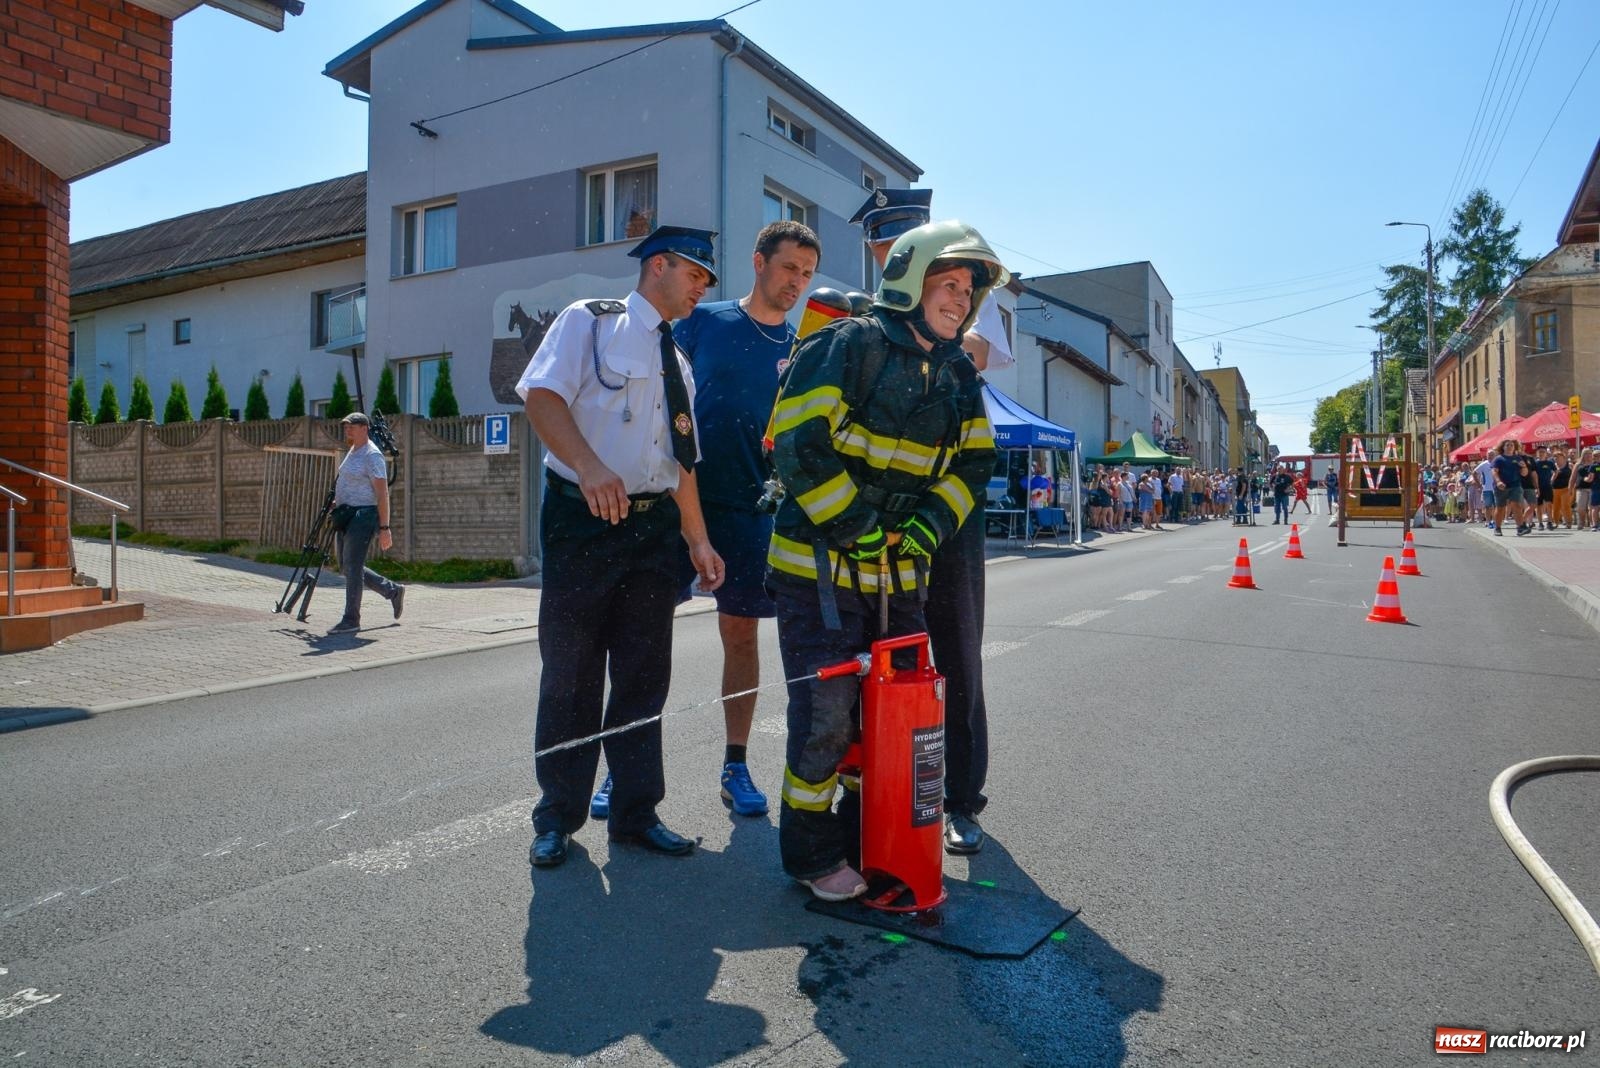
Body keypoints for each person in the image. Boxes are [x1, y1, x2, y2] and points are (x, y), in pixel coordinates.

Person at [768, 219, 1001, 900]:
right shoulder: (849, 344)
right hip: (819, 571)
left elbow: (976, 462)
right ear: (909, 278)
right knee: (826, 716)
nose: (960, 299)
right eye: (948, 283)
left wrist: (928, 528)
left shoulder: (956, 369)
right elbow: (799, 445)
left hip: (898, 574)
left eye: (968, 291)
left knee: (885, 722)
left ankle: (864, 836)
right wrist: (861, 529)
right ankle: (810, 857)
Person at [585, 221, 821, 823]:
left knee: (741, 638)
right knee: (643, 640)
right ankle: (623, 769)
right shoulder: (703, 321)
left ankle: (735, 764)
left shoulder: (797, 350)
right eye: (789, 267)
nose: (796, 282)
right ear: (759, 262)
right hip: (675, 504)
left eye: (807, 274)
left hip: (748, 515)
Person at [517, 224, 726, 869]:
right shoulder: (590, 322)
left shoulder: (680, 361)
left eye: (707, 282)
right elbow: (542, 397)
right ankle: (557, 816)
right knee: (572, 675)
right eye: (695, 275)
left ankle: (636, 814)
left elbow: (682, 460)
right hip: (583, 520)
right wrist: (588, 467)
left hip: (653, 529)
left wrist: (698, 540)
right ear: (657, 266)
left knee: (643, 677)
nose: (702, 289)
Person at [852, 189, 1008, 855]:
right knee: (882, 656)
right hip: (881, 510)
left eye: (903, 241)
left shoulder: (964, 292)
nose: (893, 255)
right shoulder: (857, 315)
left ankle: (960, 799)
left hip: (948, 506)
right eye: (883, 246)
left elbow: (966, 354)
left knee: (957, 652)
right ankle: (883, 789)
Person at [327, 411, 405, 634]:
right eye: (346, 426)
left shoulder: (372, 455)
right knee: (346, 566)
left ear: (364, 428)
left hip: (364, 516)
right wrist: (338, 500)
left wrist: (385, 527)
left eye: (352, 426)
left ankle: (351, 619)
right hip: (347, 514)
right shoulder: (353, 450)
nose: (348, 430)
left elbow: (382, 494)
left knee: (352, 566)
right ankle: (393, 591)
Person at [1489, 438, 1526, 536]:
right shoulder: (1499, 459)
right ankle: (1497, 528)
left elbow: (1524, 474)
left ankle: (1520, 528)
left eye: (1511, 445)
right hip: (1502, 486)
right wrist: (1498, 482)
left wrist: (1524, 467)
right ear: (1503, 447)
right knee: (1500, 507)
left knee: (1517, 506)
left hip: (1515, 485)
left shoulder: (1518, 458)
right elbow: (1494, 471)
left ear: (1515, 447)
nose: (1510, 447)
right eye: (1507, 445)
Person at [1531, 445, 1557, 530]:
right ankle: (1540, 523)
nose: (1541, 453)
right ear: (1537, 453)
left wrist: (1552, 479)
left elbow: (1556, 471)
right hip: (1538, 487)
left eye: (1543, 452)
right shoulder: (1534, 463)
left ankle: (1549, 522)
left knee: (1549, 504)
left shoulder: (1550, 462)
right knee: (1539, 505)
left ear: (1546, 453)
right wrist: (1535, 486)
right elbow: (1532, 475)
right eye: (1540, 452)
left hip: (1547, 486)